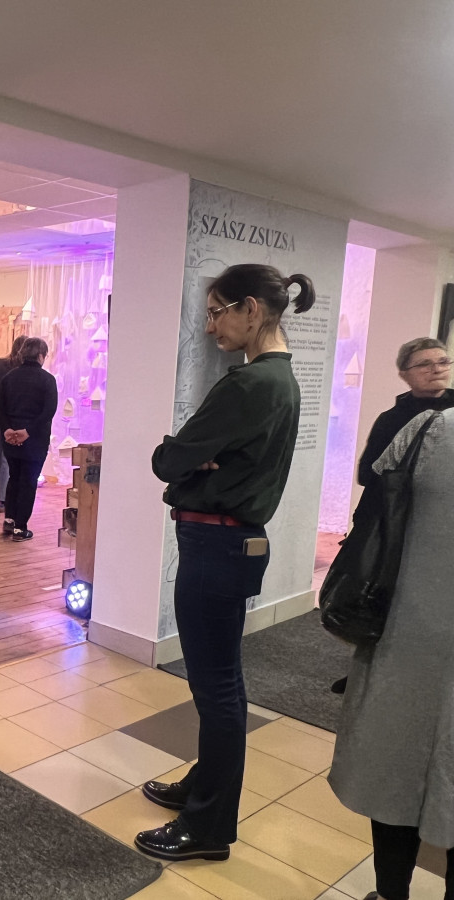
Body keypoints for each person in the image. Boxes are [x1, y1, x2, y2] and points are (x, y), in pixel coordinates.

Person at [136, 264, 314, 862]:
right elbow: (191, 458)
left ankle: (208, 826)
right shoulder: (279, 379)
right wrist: (198, 458)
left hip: (216, 547)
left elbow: (167, 460)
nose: (211, 327)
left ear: (251, 310)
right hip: (230, 545)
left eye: (217, 312)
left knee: (216, 687)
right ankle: (202, 786)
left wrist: (187, 456)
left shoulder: (249, 385)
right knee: (220, 682)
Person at [329, 409, 454, 900]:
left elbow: (371, 516)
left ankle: (389, 893)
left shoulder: (427, 430)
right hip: (411, 634)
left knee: (394, 767)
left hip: (406, 631)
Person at [352, 337, 453, 527]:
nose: (437, 369)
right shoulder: (391, 420)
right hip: (403, 520)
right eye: (424, 364)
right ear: (404, 375)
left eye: (443, 362)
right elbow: (366, 474)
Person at [0, 337, 58, 542]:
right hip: (35, 439)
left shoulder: (9, 377)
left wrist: (7, 429)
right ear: (41, 356)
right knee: (29, 481)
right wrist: (27, 431)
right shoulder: (47, 380)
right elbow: (49, 411)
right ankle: (20, 528)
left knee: (14, 478)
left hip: (10, 438)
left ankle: (10, 520)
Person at [0, 336, 25, 513]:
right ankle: (2, 498)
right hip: (13, 416)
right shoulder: (23, 370)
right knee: (7, 457)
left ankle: (1, 495)